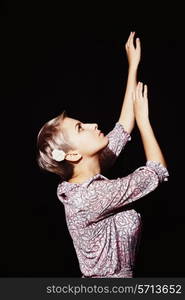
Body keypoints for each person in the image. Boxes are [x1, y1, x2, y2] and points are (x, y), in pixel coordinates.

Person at [36, 32, 169, 277]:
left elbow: (122, 126)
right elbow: (156, 172)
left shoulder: (85, 178)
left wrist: (133, 66)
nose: (92, 124)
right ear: (73, 154)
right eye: (80, 128)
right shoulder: (91, 197)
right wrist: (145, 122)